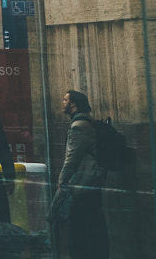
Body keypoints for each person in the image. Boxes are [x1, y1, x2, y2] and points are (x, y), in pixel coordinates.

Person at [54, 89, 108, 259]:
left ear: (74, 103)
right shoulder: (86, 122)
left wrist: (62, 180)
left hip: (83, 183)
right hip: (90, 181)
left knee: (80, 224)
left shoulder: (79, 126)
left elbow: (72, 158)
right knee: (92, 222)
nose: (62, 103)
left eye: (65, 100)